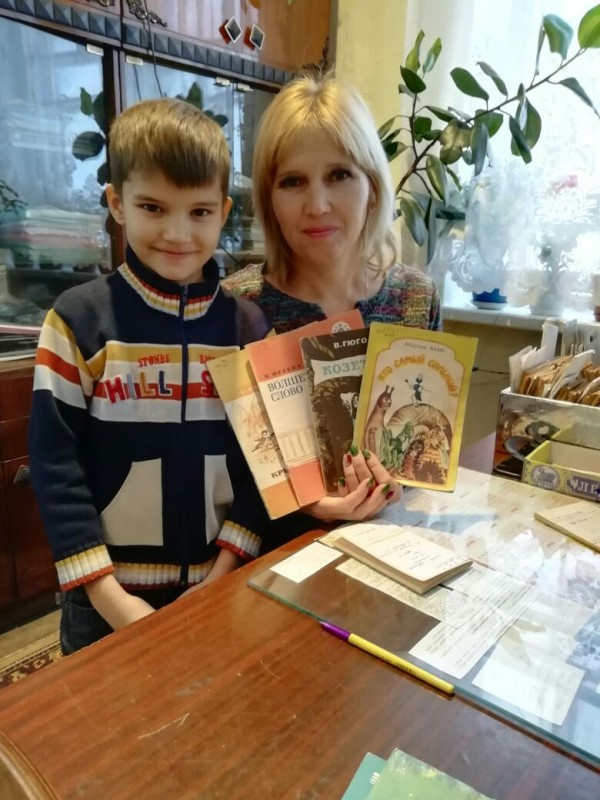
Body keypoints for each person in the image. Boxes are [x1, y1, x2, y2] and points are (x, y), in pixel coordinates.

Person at [29, 98, 272, 654]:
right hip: (104, 603)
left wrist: (221, 577)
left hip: (219, 587)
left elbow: (262, 464)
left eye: (199, 212)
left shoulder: (248, 328)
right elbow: (56, 469)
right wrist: (113, 602)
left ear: (224, 211)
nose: (178, 233)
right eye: (153, 207)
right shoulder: (76, 322)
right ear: (117, 203)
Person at [222, 73, 440, 535]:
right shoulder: (236, 306)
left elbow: (425, 449)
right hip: (274, 553)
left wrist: (402, 480)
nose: (317, 205)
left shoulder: (415, 300)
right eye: (293, 181)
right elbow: (225, 470)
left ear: (373, 186)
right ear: (268, 200)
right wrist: (303, 505)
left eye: (339, 175)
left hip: (395, 542)